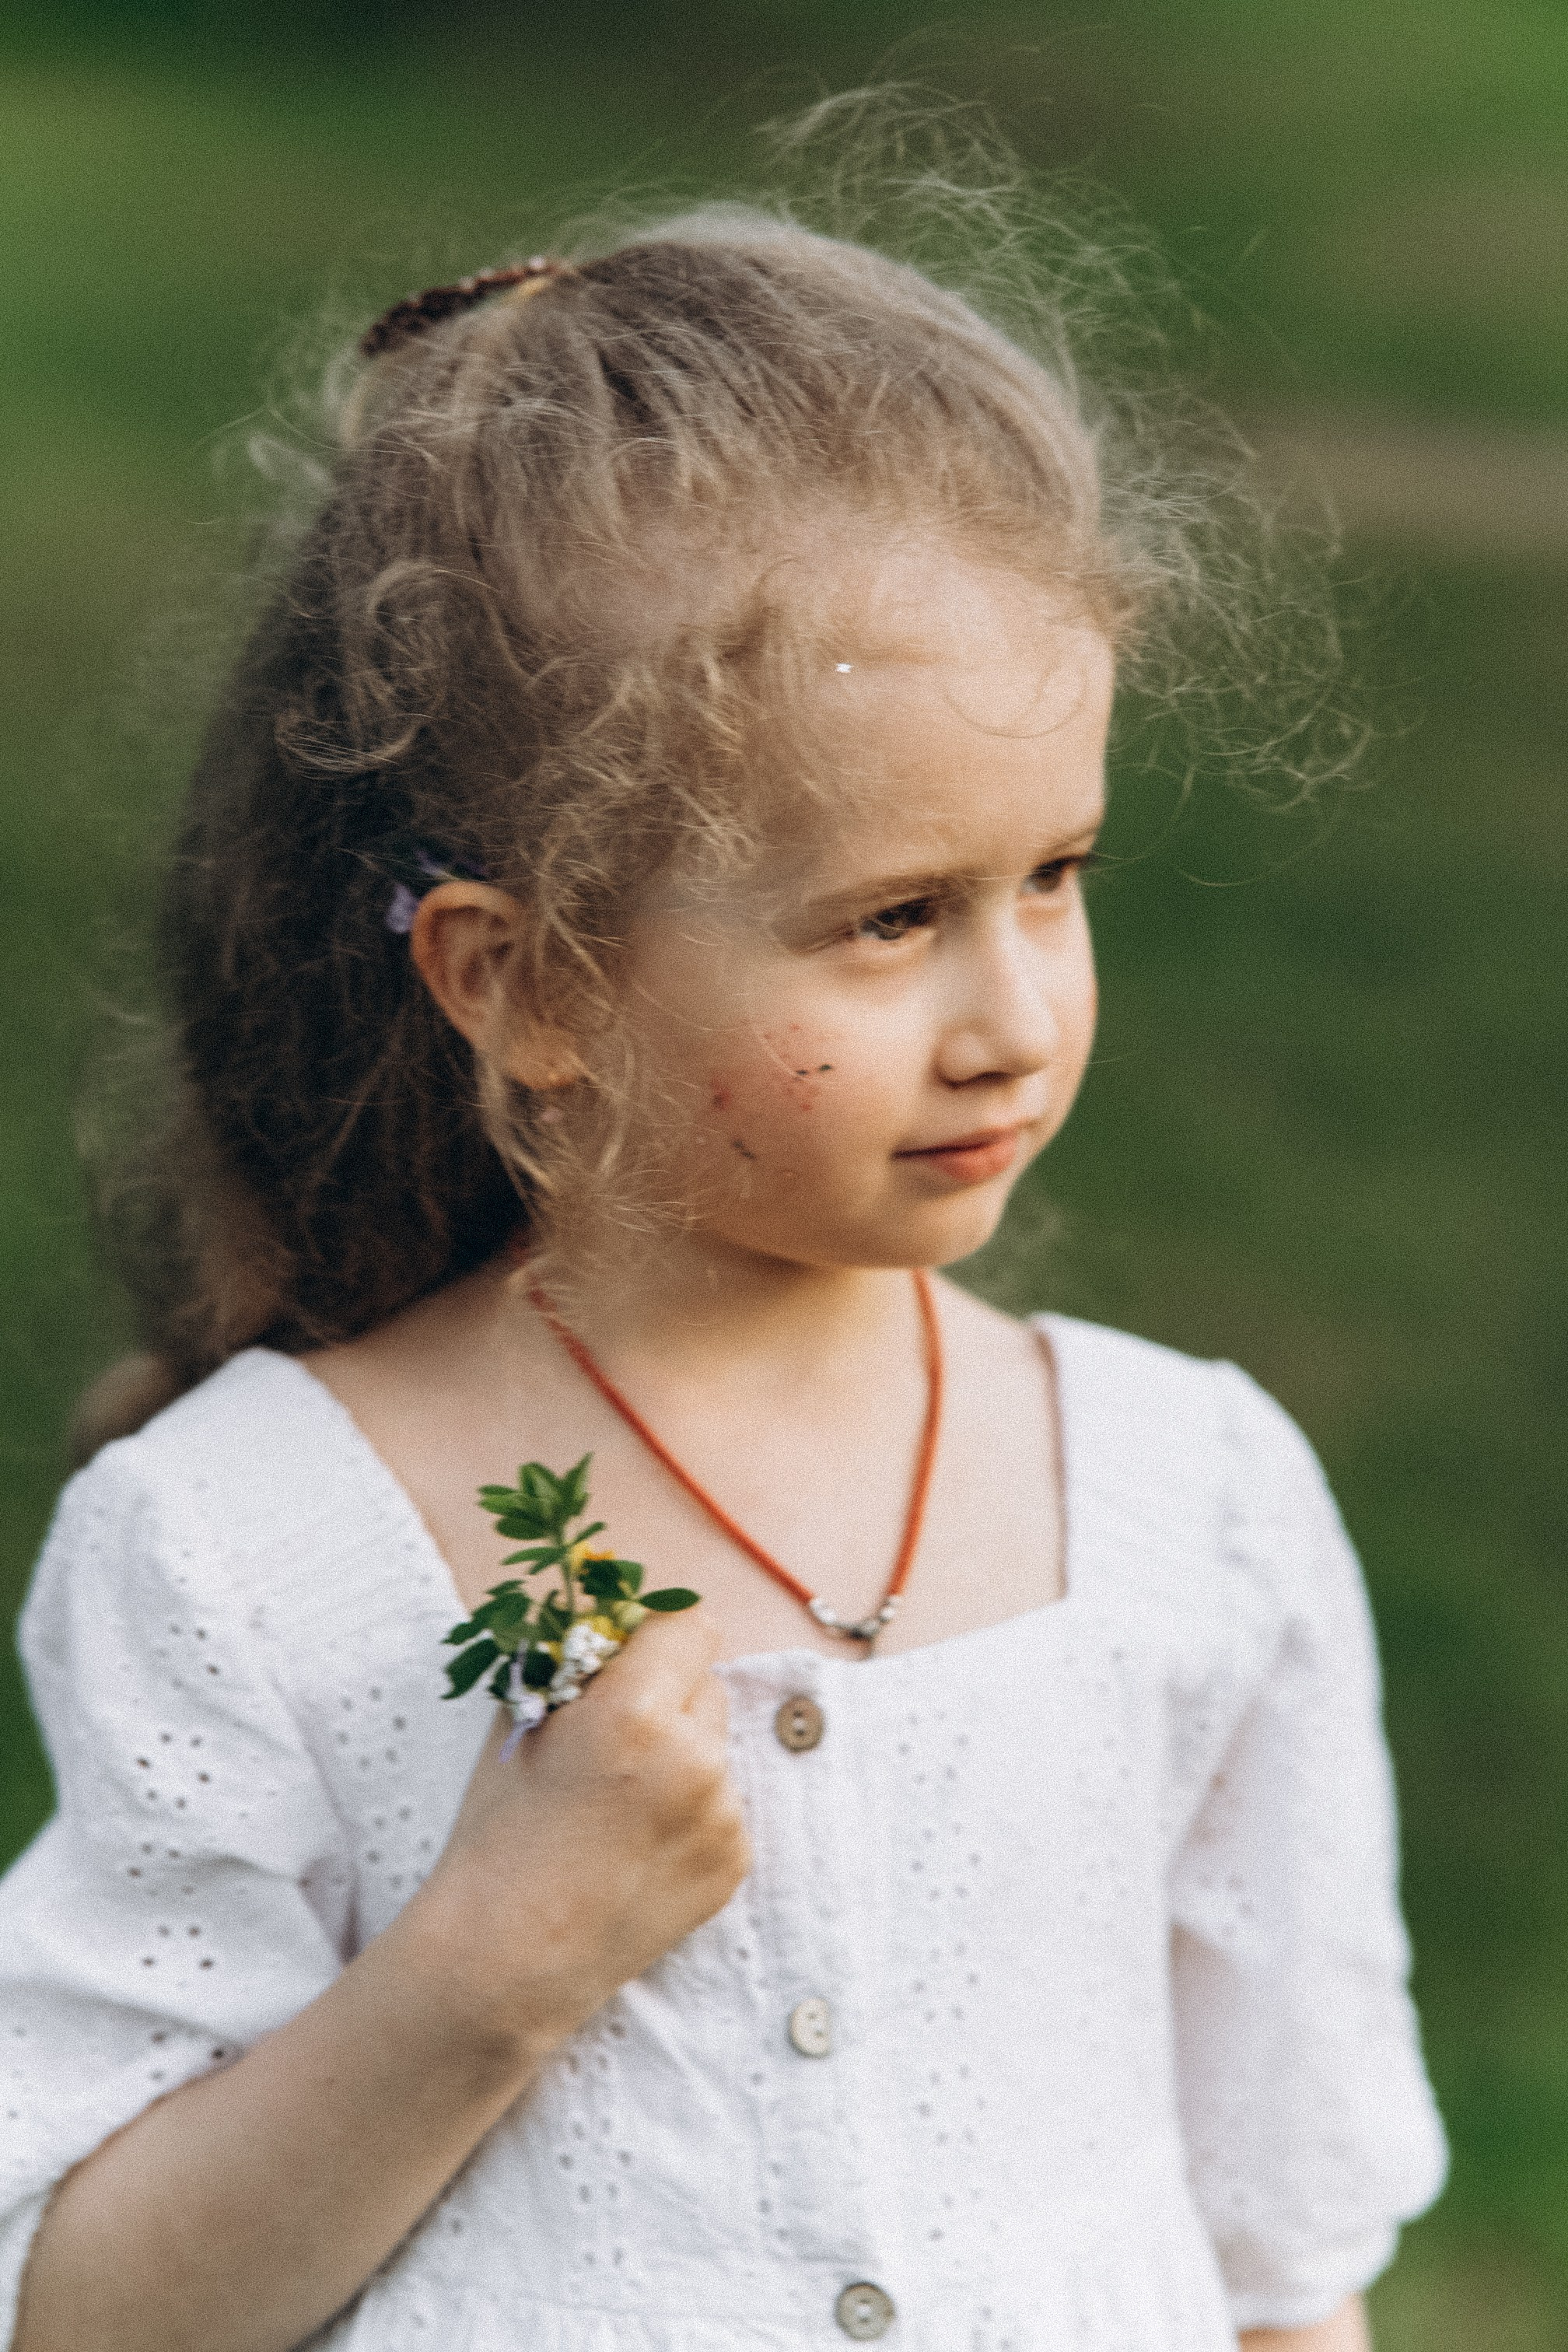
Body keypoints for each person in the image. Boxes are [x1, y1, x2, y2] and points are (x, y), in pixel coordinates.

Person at [0, 180, 1445, 2352]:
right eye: (892, 918)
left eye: (1056, 876)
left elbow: (1285, 2270)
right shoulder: (251, 1550)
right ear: (527, 982)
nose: (1015, 1017)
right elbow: (83, 2311)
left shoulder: (1191, 1508)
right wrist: (490, 1967)